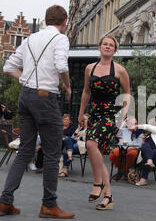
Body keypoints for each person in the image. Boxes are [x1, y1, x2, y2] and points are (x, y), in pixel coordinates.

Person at [0, 5, 75, 219]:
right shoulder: (60, 39)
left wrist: (25, 79)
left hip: (25, 96)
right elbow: (60, 65)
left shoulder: (30, 39)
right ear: (64, 22)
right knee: (51, 153)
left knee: (25, 151)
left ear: (47, 20)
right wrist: (67, 86)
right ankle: (49, 205)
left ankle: (5, 202)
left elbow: (8, 67)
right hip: (46, 97)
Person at [79, 35, 130, 211]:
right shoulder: (89, 69)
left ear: (115, 50)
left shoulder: (120, 70)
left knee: (91, 142)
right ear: (99, 47)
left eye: (111, 45)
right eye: (105, 44)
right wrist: (81, 114)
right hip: (94, 113)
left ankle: (97, 183)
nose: (108, 47)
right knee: (97, 154)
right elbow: (86, 92)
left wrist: (123, 115)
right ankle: (108, 196)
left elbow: (127, 95)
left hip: (111, 114)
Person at [109, 117, 143, 181]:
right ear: (127, 124)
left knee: (132, 154)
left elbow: (140, 144)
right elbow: (115, 133)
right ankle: (124, 171)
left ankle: (122, 172)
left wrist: (131, 147)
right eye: (132, 123)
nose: (134, 125)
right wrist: (122, 124)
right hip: (121, 148)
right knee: (112, 155)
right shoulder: (123, 130)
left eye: (135, 123)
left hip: (133, 148)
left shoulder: (139, 131)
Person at [59, 113, 90, 178]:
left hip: (82, 146)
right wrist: (78, 129)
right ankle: (69, 158)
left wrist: (80, 138)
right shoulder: (79, 128)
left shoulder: (90, 129)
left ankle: (65, 170)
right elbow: (72, 137)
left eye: (84, 120)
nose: (83, 121)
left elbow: (87, 140)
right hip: (74, 144)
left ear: (88, 120)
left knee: (67, 150)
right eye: (82, 120)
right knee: (67, 139)